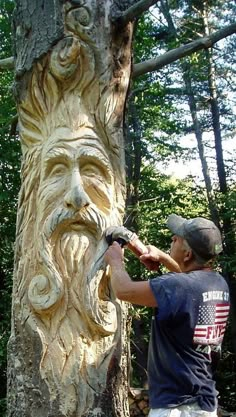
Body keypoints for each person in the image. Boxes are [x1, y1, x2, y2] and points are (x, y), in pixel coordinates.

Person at [104, 214, 230, 417]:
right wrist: (163, 258)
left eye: (177, 238)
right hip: (204, 402)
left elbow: (124, 290)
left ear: (187, 254)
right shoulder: (217, 282)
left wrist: (116, 260)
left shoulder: (177, 286)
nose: (172, 239)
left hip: (175, 407)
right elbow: (188, 278)